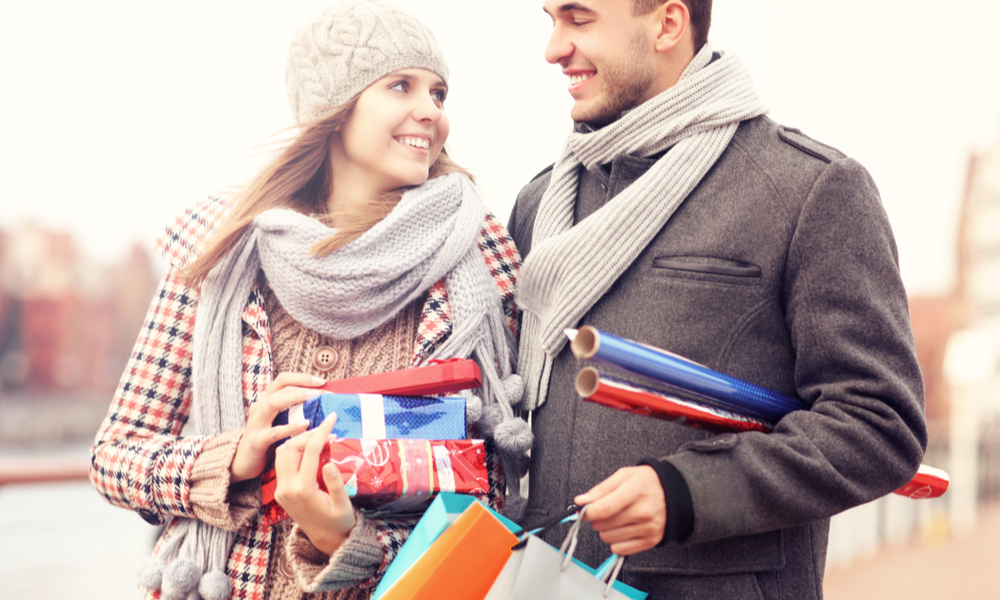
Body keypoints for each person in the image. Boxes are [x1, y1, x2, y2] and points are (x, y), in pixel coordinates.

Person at [89, 2, 528, 599]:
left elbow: (493, 488)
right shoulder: (223, 247)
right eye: (401, 85)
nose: (431, 111)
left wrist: (344, 539)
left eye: (440, 93)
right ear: (336, 110)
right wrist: (235, 459)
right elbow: (115, 458)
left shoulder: (476, 257)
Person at [508, 1, 927, 598]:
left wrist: (685, 494)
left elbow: (880, 425)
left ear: (667, 24)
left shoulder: (809, 188)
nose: (552, 48)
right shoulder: (539, 203)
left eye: (578, 19)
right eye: (551, 20)